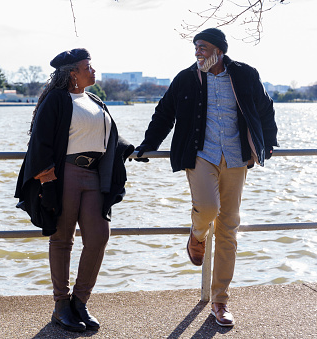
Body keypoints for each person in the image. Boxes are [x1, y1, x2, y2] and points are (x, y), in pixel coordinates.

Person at [134, 28, 278, 327]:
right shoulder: (186, 78)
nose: (198, 52)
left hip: (237, 157)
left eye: (204, 47)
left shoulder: (245, 74)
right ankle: (197, 236)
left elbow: (265, 109)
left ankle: (221, 301)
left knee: (229, 227)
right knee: (208, 209)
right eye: (196, 47)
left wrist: (269, 142)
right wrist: (149, 144)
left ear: (220, 51)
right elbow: (164, 113)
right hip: (201, 155)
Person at [15, 48, 134, 332]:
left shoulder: (94, 99)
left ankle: (79, 302)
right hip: (64, 174)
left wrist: (131, 148)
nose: (94, 71)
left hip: (94, 175)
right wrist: (48, 182)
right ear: (72, 73)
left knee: (99, 236)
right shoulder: (56, 99)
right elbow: (41, 141)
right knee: (62, 239)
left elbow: (106, 135)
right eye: (88, 67)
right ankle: (60, 306)